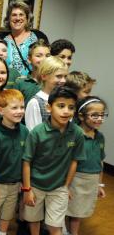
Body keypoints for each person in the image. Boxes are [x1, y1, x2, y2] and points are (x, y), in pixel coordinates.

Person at [22, 86, 86, 235]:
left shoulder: (77, 133)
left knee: (55, 226)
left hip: (59, 187)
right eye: (61, 106)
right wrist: (27, 189)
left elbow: (74, 161)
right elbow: (26, 161)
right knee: (34, 220)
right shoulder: (37, 132)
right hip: (35, 185)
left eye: (71, 107)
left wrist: (66, 186)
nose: (66, 111)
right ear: (49, 108)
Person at [0, 89, 29, 235]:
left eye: (22, 107)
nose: (19, 111)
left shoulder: (24, 131)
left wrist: (23, 181)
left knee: (7, 215)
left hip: (15, 184)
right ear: (0, 110)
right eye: (14, 107)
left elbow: (25, 159)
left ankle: (2, 232)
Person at [66, 96, 107, 235]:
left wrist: (99, 184)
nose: (100, 118)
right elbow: (66, 162)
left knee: (79, 212)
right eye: (95, 115)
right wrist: (65, 185)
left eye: (102, 115)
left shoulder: (100, 136)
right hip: (75, 179)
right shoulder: (73, 135)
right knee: (68, 209)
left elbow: (100, 161)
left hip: (92, 180)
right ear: (81, 116)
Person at [0, 1, 48, 76]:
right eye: (14, 15)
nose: (17, 18)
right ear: (8, 19)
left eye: (21, 15)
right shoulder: (2, 39)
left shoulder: (38, 36)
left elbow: (49, 60)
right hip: (8, 85)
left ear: (27, 18)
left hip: (32, 84)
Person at [25, 56, 67, 130]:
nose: (63, 80)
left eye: (65, 76)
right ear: (44, 76)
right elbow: (33, 135)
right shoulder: (35, 103)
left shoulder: (66, 100)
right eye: (58, 76)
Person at [14, 39, 51, 106]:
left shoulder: (53, 82)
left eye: (47, 56)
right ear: (29, 59)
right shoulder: (20, 83)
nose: (44, 59)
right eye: (39, 56)